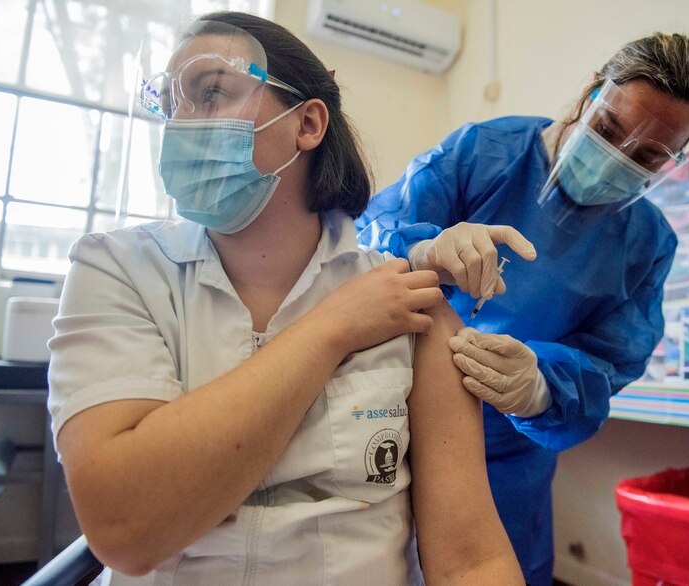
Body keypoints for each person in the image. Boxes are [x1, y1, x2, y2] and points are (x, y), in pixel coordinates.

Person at [47, 12, 523, 585]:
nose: (180, 127)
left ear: (308, 123)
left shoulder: (408, 306)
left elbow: (471, 560)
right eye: (170, 106)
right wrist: (333, 327)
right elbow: (124, 529)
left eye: (211, 92)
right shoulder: (118, 268)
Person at [357, 32, 689, 585]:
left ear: (672, 161)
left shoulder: (645, 241)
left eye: (646, 157)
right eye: (606, 130)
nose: (615, 160)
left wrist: (541, 387)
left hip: (509, 452)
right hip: (397, 418)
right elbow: (369, 243)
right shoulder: (485, 153)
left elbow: (608, 360)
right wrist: (424, 249)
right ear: (587, 97)